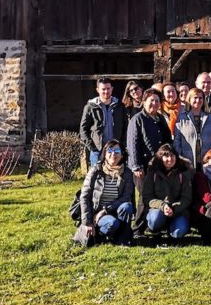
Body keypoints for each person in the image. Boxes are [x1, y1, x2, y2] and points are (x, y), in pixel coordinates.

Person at [127, 88, 173, 234]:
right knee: (144, 196)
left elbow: (167, 142)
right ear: (144, 101)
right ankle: (138, 228)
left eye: (157, 101)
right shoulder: (137, 119)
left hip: (158, 166)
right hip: (142, 166)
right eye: (151, 100)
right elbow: (132, 144)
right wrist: (136, 166)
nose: (154, 103)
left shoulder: (160, 119)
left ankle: (154, 224)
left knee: (158, 194)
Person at [74, 139, 135, 247]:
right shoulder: (96, 170)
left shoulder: (127, 173)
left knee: (127, 206)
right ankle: (97, 234)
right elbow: (84, 197)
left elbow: (126, 197)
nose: (113, 154)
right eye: (110, 151)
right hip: (95, 212)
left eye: (117, 151)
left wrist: (105, 210)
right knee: (112, 224)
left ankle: (122, 239)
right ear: (105, 154)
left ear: (122, 155)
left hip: (114, 210)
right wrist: (87, 222)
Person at [142, 144, 193, 240]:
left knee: (179, 232)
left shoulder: (183, 174)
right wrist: (163, 206)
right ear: (160, 157)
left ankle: (171, 228)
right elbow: (147, 197)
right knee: (155, 220)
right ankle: (157, 228)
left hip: (178, 211)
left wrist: (173, 208)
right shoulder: (152, 174)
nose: (170, 159)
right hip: (158, 210)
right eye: (166, 156)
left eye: (172, 155)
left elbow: (186, 198)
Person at [80, 77, 126, 166]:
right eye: (103, 89)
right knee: (98, 177)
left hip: (116, 150)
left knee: (117, 176)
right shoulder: (90, 107)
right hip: (98, 150)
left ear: (112, 89)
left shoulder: (119, 106)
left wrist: (122, 145)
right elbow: (83, 130)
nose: (106, 91)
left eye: (108, 88)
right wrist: (92, 148)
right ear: (98, 90)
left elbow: (125, 127)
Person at [173, 87, 211, 168]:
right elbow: (177, 140)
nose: (198, 100)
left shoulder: (210, 117)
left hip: (208, 160)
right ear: (189, 99)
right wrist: (180, 157)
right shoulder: (181, 118)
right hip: (188, 159)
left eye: (200, 98)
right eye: (195, 98)